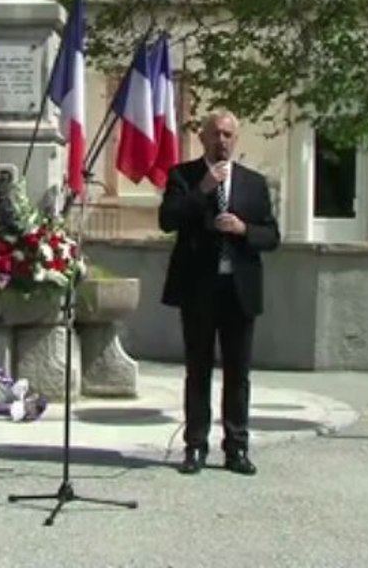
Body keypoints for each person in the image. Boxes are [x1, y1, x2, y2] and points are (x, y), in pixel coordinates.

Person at [157, 110, 281, 476]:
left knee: (237, 373)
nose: (221, 140)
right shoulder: (184, 175)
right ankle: (195, 446)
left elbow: (272, 236)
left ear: (236, 139)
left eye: (228, 134)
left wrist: (244, 229)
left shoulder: (253, 184)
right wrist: (203, 191)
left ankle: (236, 448)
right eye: (215, 134)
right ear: (203, 138)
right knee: (198, 371)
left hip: (239, 289)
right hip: (199, 289)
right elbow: (168, 220)